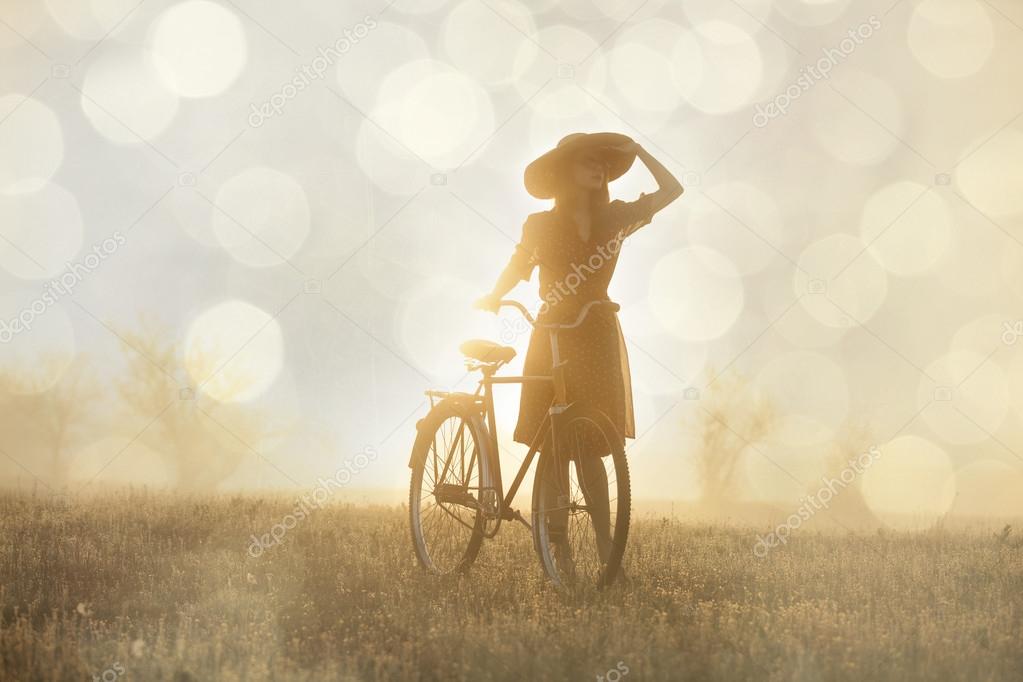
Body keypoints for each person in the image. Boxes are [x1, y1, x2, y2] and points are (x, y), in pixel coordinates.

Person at [475, 132, 683, 569]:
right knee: (553, 446)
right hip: (553, 330)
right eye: (588, 161)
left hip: (597, 331)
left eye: (604, 164)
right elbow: (519, 264)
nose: (599, 169)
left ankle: (608, 550)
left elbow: (672, 191)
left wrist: (639, 151)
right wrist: (495, 294)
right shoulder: (541, 224)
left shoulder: (616, 217)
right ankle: (559, 549)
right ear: (565, 171)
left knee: (592, 442)